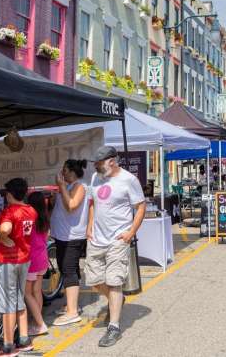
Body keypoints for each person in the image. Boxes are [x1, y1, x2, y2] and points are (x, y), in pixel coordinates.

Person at [86, 146, 146, 348]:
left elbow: (140, 207)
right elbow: (92, 202)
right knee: (93, 280)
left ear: (112, 161)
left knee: (114, 282)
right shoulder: (95, 178)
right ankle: (117, 301)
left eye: (98, 163)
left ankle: (114, 327)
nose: (95, 166)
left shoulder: (128, 179)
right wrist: (89, 226)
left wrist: (130, 233)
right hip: (96, 239)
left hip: (117, 240)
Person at [0, 178, 37, 356]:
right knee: (18, 297)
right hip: (24, 259)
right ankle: (24, 338)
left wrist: (4, 238)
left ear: (10, 194)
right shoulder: (31, 211)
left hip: (8, 260)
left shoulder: (9, 212)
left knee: (6, 301)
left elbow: (5, 229)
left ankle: (8, 344)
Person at [51, 159, 90, 327]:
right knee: (67, 268)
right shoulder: (67, 187)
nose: (62, 173)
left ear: (72, 171)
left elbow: (71, 205)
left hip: (72, 237)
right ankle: (71, 305)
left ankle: (72, 312)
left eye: (64, 170)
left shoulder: (80, 187)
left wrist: (60, 186)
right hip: (62, 235)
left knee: (68, 270)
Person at [25, 190, 50, 337]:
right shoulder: (45, 218)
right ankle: (36, 322)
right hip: (42, 258)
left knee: (27, 293)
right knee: (36, 291)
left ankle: (40, 324)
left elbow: (24, 237)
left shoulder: (30, 219)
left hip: (31, 259)